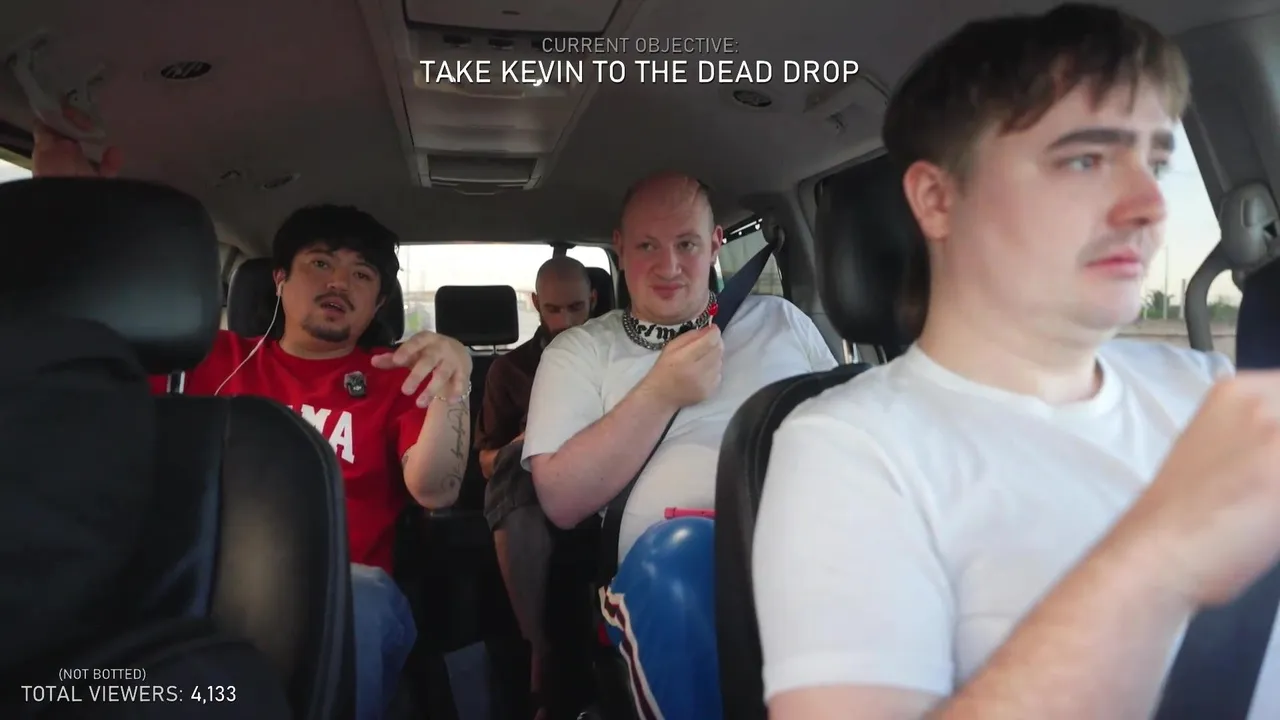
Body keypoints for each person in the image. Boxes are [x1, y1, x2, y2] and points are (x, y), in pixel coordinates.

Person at [751, 4, 1280, 719]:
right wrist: (1159, 556)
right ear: (938, 200)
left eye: (1156, 163)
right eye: (1085, 160)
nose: (1150, 205)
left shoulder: (1213, 391)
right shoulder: (848, 450)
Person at [31, 111, 474, 720]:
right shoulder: (203, 355)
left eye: (361, 274)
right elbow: (71, 355)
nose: (339, 282)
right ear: (281, 279)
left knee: (362, 598)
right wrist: (63, 208)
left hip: (342, 589)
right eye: (321, 263)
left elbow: (436, 489)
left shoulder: (396, 375)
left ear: (376, 305)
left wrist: (454, 382)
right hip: (190, 581)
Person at [522, 171, 838, 717]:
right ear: (620, 249)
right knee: (684, 557)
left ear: (715, 244)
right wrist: (661, 392)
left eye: (686, 244)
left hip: (809, 551)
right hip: (665, 574)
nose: (668, 267)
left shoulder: (782, 320)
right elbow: (560, 500)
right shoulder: (580, 352)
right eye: (647, 246)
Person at [473, 255, 596, 718]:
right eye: (554, 310)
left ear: (594, 300)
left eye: (576, 308)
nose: (565, 322)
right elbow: (486, 464)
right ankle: (538, 646)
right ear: (536, 305)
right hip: (533, 487)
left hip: (608, 476)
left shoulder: (618, 353)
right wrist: (525, 442)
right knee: (515, 467)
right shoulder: (510, 371)